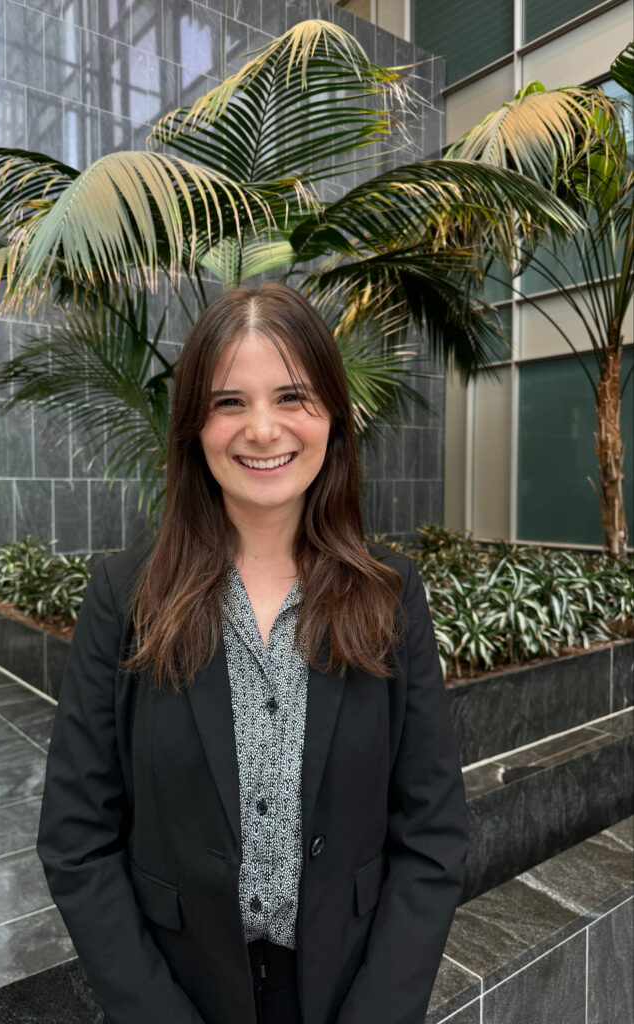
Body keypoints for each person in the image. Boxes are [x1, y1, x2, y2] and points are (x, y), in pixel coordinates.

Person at [37, 282, 469, 1024]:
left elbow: (431, 834)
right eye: (228, 402)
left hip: (346, 989)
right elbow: (76, 838)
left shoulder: (389, 594)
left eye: (292, 396)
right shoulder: (126, 594)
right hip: (179, 993)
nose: (262, 430)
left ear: (332, 415)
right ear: (193, 427)